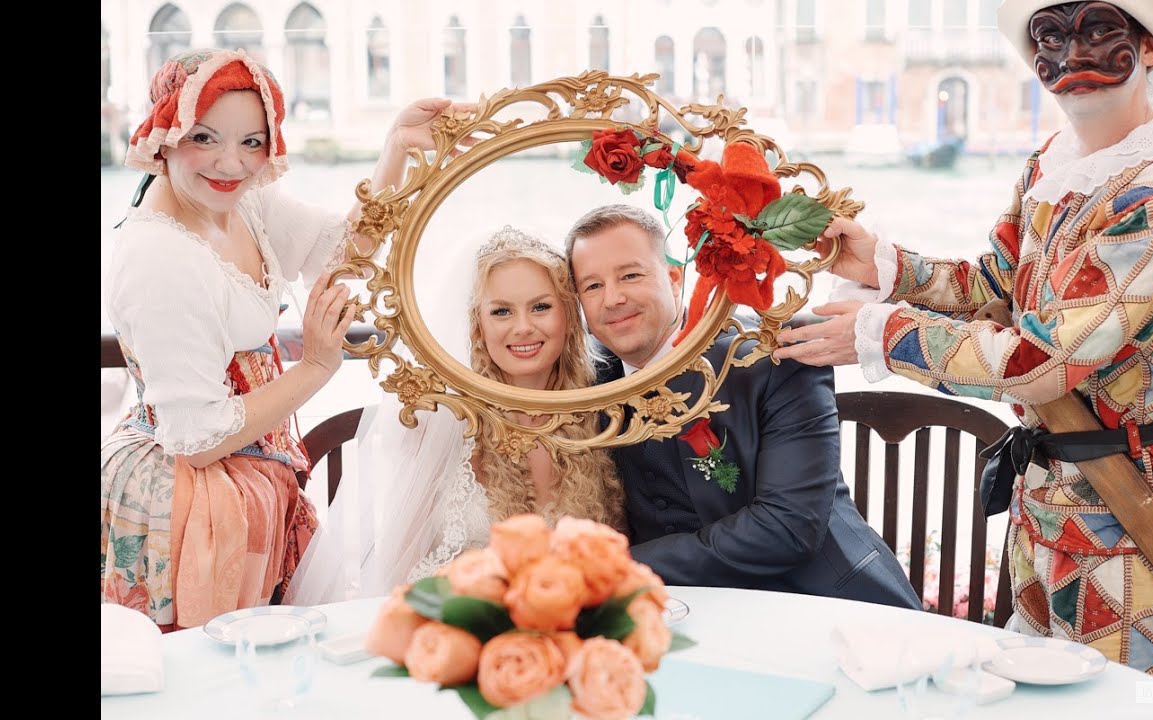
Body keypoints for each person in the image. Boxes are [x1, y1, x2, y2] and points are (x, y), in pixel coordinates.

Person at [773, 0, 1153, 681]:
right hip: (1042, 502)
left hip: (1130, 504)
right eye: (1049, 35)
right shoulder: (1049, 166)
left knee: (1122, 699)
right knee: (1036, 689)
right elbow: (998, 283)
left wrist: (883, 333)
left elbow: (1042, 362)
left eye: (1098, 30)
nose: (1071, 54)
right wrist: (887, 266)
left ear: (1151, 48)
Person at [101, 47, 464, 630]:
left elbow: (343, 253)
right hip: (187, 500)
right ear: (164, 134)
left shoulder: (243, 202)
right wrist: (315, 368)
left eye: (251, 141)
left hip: (249, 477)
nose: (231, 162)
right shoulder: (158, 258)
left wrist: (395, 149)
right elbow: (194, 438)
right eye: (204, 137)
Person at [564, 204, 920, 608]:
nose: (613, 298)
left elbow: (787, 528)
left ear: (674, 278)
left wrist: (620, 566)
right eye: (592, 286)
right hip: (676, 615)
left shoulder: (775, 353)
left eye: (630, 275)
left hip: (823, 604)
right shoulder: (585, 380)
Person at [283, 228, 627, 604]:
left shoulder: (602, 407)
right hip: (461, 621)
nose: (523, 327)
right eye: (501, 312)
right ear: (477, 323)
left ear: (569, 316)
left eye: (541, 307)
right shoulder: (444, 417)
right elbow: (400, 577)